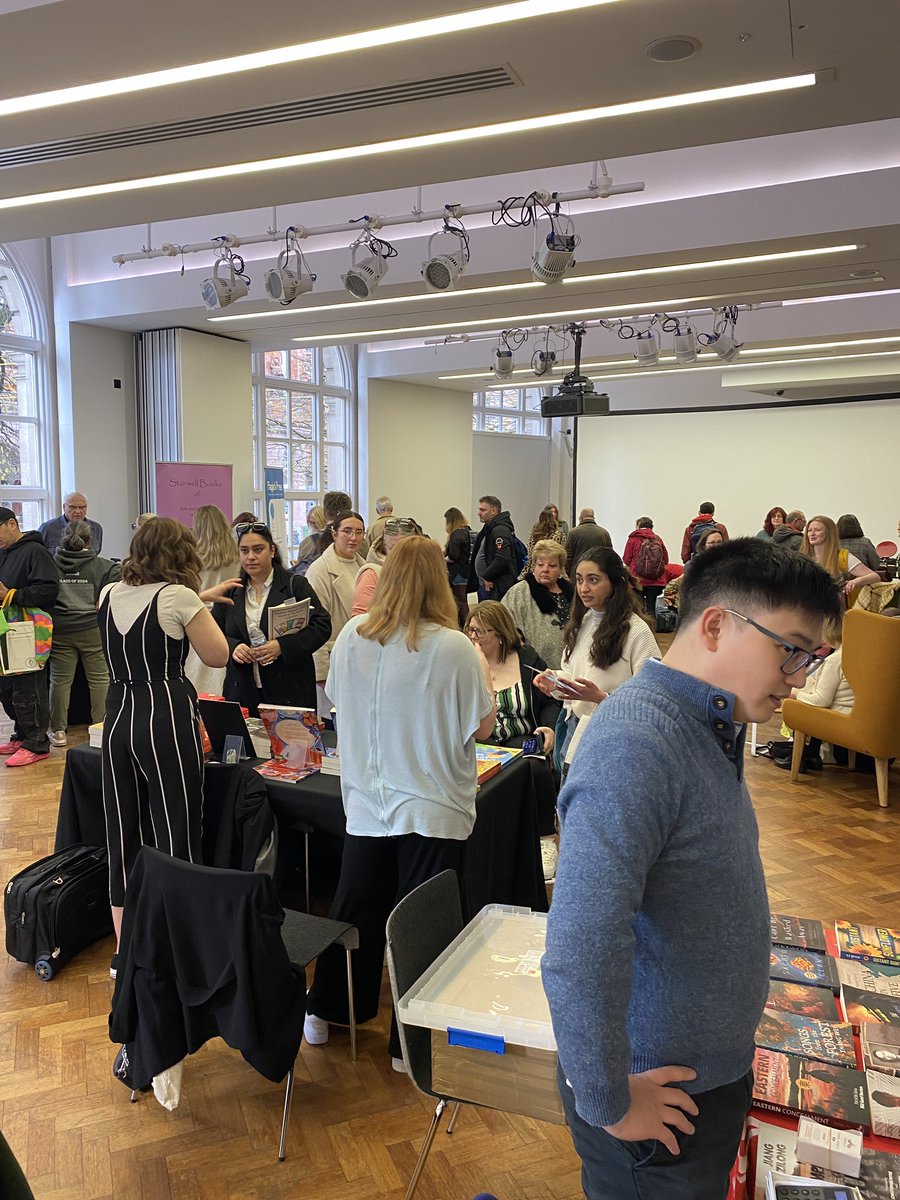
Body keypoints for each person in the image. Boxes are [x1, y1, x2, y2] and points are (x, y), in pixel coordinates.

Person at [542, 538, 841, 1200]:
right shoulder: (635, 744)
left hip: (698, 1081)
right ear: (715, 626)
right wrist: (612, 1101)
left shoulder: (710, 723)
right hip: (656, 1106)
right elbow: (578, 948)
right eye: (790, 648)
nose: (797, 674)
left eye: (810, 656)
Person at [303, 538, 495, 1068]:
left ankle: (327, 1011)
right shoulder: (455, 646)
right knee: (421, 925)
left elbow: (338, 702)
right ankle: (408, 1045)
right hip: (432, 804)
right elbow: (481, 726)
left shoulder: (351, 638)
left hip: (367, 798)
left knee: (355, 909)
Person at [98, 517, 238, 966]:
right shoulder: (177, 597)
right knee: (176, 828)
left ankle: (126, 951)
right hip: (164, 718)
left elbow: (150, 608)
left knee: (123, 831)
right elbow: (217, 654)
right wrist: (202, 607)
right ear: (182, 555)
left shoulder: (109, 592)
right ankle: (182, 945)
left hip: (118, 715)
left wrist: (198, 601)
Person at [537, 548, 660, 768]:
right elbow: (574, 673)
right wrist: (554, 680)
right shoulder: (583, 622)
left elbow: (650, 701)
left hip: (613, 737)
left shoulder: (637, 632)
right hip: (577, 728)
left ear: (614, 582)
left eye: (593, 580)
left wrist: (601, 698)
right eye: (579, 580)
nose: (584, 588)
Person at [214, 520, 331, 714]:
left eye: (258, 549)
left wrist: (282, 646)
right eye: (244, 551)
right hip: (243, 690)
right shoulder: (230, 592)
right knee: (249, 744)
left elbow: (322, 625)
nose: (251, 557)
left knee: (290, 745)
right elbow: (214, 632)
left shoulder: (296, 585)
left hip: (289, 689)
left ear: (272, 551)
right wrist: (233, 647)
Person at [48, 520, 120, 747]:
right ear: (90, 540)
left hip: (59, 629)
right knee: (99, 679)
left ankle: (58, 731)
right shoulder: (105, 566)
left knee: (59, 680)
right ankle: (101, 728)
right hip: (92, 630)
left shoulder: (50, 564)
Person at [0, 507, 59, 766]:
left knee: (28, 688)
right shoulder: (4, 552)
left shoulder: (36, 551)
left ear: (12, 524)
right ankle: (22, 734)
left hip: (29, 631)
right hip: (7, 630)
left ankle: (37, 743)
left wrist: (10, 594)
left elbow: (48, 590)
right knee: (7, 689)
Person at [464, 601, 561, 753]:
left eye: (480, 631)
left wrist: (550, 727)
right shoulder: (462, 665)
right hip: (480, 746)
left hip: (523, 742)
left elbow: (549, 701)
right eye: (470, 630)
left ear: (500, 633)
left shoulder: (527, 659)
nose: (472, 637)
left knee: (528, 762)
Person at [774, 615, 852, 774]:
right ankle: (811, 754)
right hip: (852, 713)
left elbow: (820, 700)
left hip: (839, 718)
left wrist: (795, 694)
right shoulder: (853, 655)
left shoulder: (835, 660)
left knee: (799, 703)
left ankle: (801, 757)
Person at [304, 510, 367, 689]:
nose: (353, 538)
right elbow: (313, 627)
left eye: (358, 532)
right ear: (334, 534)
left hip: (361, 659)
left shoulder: (364, 567)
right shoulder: (320, 571)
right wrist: (322, 676)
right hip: (334, 662)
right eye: (347, 531)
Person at [184, 505, 241, 697]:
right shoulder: (237, 555)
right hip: (227, 617)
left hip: (196, 616)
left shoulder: (191, 558)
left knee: (196, 674)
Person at [501, 538, 573, 669]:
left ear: (561, 569)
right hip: (534, 667)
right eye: (540, 565)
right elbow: (505, 626)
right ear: (533, 566)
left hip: (571, 666)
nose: (545, 570)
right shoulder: (518, 593)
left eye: (552, 566)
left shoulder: (573, 594)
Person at [351, 516, 423, 616]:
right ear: (384, 548)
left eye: (405, 548)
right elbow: (359, 622)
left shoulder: (424, 571)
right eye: (393, 549)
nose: (399, 554)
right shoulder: (372, 574)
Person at [800, 514, 880, 602]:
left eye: (817, 530)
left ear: (829, 533)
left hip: (833, 608)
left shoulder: (842, 557)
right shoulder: (802, 558)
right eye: (809, 530)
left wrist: (856, 581)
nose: (812, 534)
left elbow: (875, 576)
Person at [468, 495, 519, 601]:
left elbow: (503, 558)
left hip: (493, 585)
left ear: (493, 511)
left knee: (489, 616)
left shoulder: (500, 530)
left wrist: (487, 576)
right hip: (485, 584)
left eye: (483, 510)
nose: (479, 513)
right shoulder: (489, 528)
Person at [623, 518, 669, 615]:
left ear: (638, 526)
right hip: (656, 582)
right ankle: (652, 628)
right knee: (651, 608)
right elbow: (666, 560)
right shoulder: (658, 539)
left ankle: (642, 629)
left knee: (639, 609)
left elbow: (626, 559)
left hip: (638, 580)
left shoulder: (632, 540)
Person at [39, 491, 103, 554]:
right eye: (73, 507)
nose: (77, 511)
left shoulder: (96, 528)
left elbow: (96, 552)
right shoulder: (47, 528)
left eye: (82, 507)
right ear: (64, 507)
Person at [444, 506, 473, 629]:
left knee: (460, 602)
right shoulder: (467, 531)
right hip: (467, 572)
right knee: (463, 601)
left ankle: (466, 628)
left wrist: (441, 560)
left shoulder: (456, 535)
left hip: (457, 574)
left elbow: (453, 556)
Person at [522, 506, 567, 577]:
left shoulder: (534, 534)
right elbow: (562, 552)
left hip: (536, 566)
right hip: (553, 567)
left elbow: (530, 551)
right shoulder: (560, 534)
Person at [565, 508, 613, 576]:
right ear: (593, 518)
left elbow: (568, 557)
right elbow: (610, 555)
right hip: (599, 573)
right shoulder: (604, 533)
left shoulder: (573, 533)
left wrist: (568, 574)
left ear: (581, 518)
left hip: (578, 573)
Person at [292, 505, 326, 575]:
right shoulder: (336, 536)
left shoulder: (308, 541)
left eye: (313, 522)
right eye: (309, 522)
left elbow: (300, 567)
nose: (312, 525)